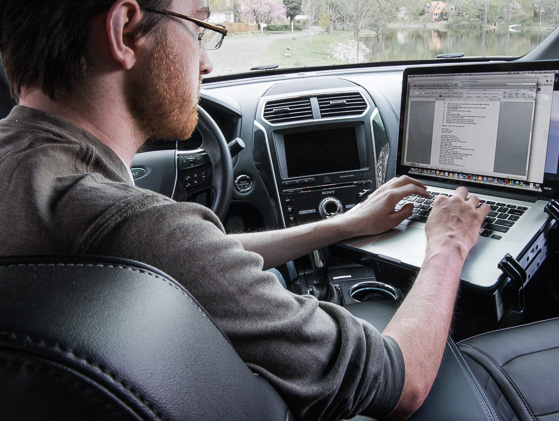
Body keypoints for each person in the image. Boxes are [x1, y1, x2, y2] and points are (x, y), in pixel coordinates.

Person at [0, 0, 489, 419]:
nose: (206, 65)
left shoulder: (31, 182)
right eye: (199, 28)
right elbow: (400, 383)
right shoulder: (134, 228)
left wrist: (344, 224)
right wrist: (447, 245)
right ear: (126, 29)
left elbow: (196, 258)